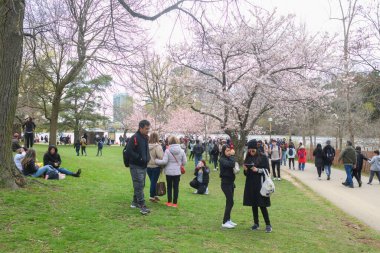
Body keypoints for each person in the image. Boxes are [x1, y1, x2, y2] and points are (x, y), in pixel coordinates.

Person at [243, 139, 272, 233]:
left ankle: (268, 224)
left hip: (260, 184)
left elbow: (268, 171)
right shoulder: (248, 157)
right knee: (253, 204)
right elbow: (246, 174)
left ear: (256, 149)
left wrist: (258, 170)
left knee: (262, 205)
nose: (251, 152)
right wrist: (246, 170)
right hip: (251, 184)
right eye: (249, 150)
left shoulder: (263, 157)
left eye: (253, 150)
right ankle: (256, 223)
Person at [125, 120, 151, 215]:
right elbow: (128, 151)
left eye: (148, 128)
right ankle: (142, 206)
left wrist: (147, 158)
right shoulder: (135, 137)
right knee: (139, 185)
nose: (148, 130)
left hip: (143, 165)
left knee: (141, 185)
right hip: (136, 165)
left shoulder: (144, 137)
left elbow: (145, 150)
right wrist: (139, 158)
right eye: (146, 128)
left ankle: (134, 202)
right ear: (140, 128)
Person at [155, 136, 187, 208]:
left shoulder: (167, 151)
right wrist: (179, 163)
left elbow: (164, 161)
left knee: (169, 187)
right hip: (177, 172)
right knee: (176, 187)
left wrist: (156, 161)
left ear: (170, 142)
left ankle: (169, 202)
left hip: (169, 172)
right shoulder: (182, 151)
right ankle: (175, 203)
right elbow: (184, 162)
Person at [219, 144, 236, 229]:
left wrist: (232, 156)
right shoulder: (222, 159)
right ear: (223, 151)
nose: (229, 152)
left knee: (229, 202)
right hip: (225, 183)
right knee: (230, 201)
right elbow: (231, 164)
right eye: (227, 151)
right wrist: (233, 155)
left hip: (231, 183)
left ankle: (228, 219)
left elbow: (233, 163)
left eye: (229, 150)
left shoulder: (228, 158)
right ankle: (224, 222)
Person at [147, 132, 164, 203]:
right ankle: (151, 196)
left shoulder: (146, 146)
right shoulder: (158, 147)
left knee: (153, 181)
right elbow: (160, 156)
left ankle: (155, 194)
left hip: (148, 166)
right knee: (154, 182)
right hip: (155, 166)